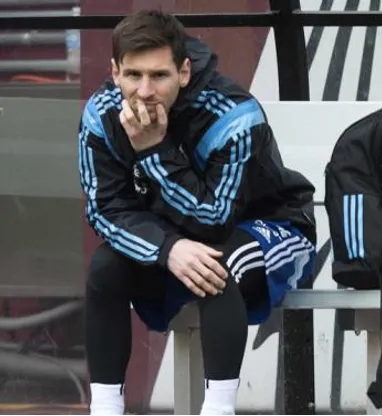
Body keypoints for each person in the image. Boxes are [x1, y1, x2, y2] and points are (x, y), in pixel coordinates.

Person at [78, 9, 317, 415]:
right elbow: (105, 210)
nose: (144, 91)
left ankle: (219, 408)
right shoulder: (101, 115)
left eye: (159, 76)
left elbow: (215, 219)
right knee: (104, 267)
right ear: (115, 72)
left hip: (269, 226)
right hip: (175, 239)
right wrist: (168, 247)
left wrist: (153, 150)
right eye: (133, 75)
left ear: (184, 71)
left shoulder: (234, 114)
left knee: (216, 264)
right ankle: (105, 408)